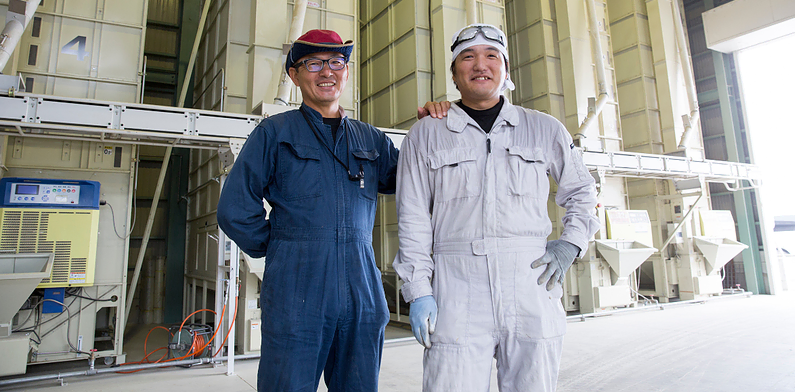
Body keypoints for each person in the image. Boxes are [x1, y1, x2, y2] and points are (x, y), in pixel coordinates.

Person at [217, 29, 445, 391]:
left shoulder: (370, 139)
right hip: (298, 290)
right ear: (294, 75)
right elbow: (234, 209)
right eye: (314, 64)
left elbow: (416, 183)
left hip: (362, 288)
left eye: (336, 62)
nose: (327, 72)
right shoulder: (275, 133)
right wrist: (280, 248)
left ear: (346, 72)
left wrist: (437, 127)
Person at [393, 23, 600, 392]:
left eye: (491, 56)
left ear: (506, 71)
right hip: (456, 291)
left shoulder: (544, 129)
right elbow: (412, 219)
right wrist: (419, 289)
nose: (480, 65)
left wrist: (572, 243)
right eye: (468, 57)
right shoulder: (425, 135)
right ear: (455, 75)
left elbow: (582, 191)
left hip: (531, 284)